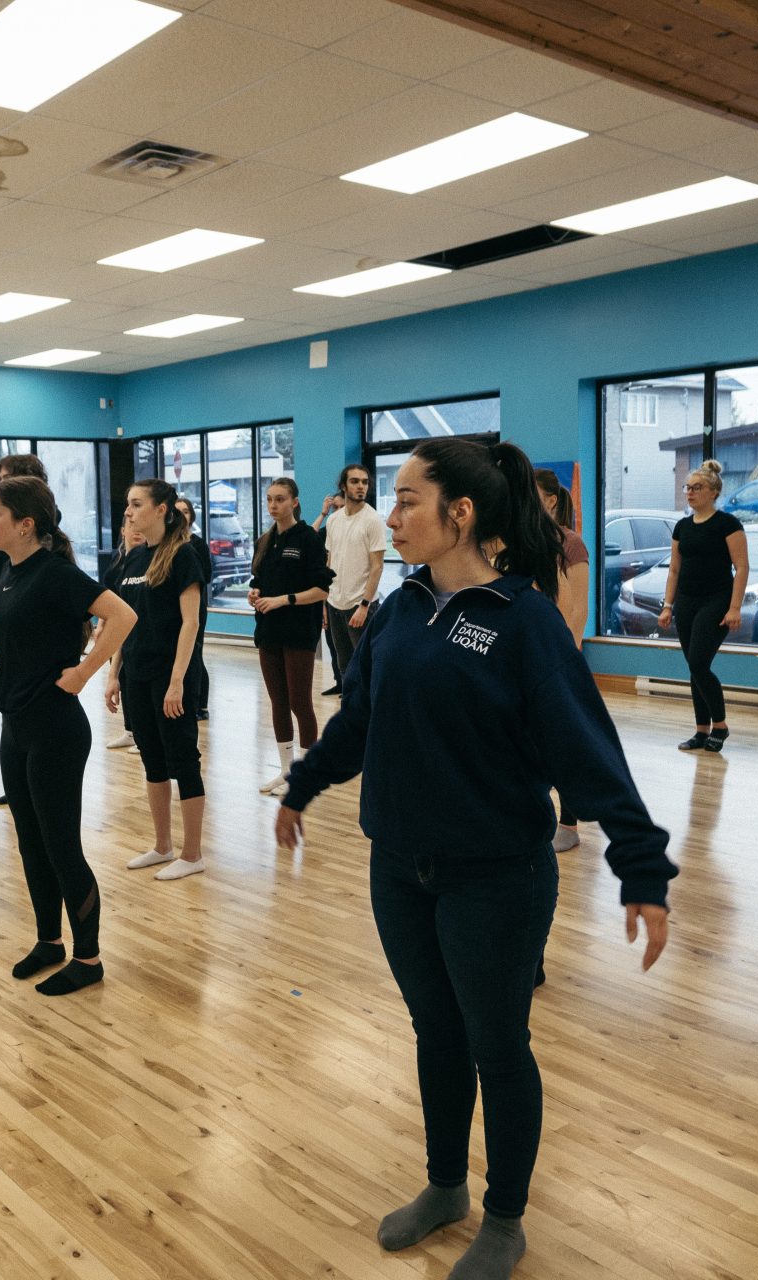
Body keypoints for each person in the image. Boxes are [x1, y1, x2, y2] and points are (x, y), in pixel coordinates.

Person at [274, 438, 674, 1278]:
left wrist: (641, 868)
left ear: (462, 514)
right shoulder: (399, 606)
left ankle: (505, 1215)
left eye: (409, 499)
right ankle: (446, 1185)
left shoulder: (523, 620)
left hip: (497, 875)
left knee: (498, 1044)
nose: (394, 514)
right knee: (435, 1032)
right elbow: (359, 720)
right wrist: (304, 783)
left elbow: (589, 753)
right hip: (400, 866)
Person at [0, 476, 138, 994]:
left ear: (25, 524)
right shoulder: (9, 569)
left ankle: (89, 958)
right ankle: (50, 941)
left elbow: (122, 614)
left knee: (61, 846)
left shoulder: (55, 572)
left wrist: (85, 672)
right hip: (16, 726)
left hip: (55, 729)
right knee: (30, 842)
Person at [107, 480, 208, 881]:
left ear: (161, 509)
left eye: (136, 504)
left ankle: (193, 852)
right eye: (128, 504)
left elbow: (191, 624)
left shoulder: (184, 556)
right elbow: (124, 623)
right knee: (151, 759)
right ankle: (163, 845)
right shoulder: (133, 560)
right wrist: (114, 674)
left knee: (182, 759)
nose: (128, 512)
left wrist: (178, 681)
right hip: (137, 674)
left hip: (171, 678)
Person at [246, 478, 333, 796]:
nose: (273, 505)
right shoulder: (264, 541)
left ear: (294, 502)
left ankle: (308, 775)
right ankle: (286, 771)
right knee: (278, 703)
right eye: (269, 499)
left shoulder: (308, 538)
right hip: (268, 631)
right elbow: (259, 581)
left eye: (280, 499)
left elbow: (321, 589)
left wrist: (284, 600)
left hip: (298, 632)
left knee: (299, 702)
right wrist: (254, 594)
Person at [656, 459, 748, 751]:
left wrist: (734, 607)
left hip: (716, 600)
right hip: (686, 601)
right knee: (695, 667)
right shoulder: (682, 527)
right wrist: (667, 605)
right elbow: (674, 569)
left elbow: (742, 566)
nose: (690, 492)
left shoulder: (727, 524)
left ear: (713, 492)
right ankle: (701, 730)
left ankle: (720, 726)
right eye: (688, 487)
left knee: (698, 662)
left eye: (697, 487)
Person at [0, 453, 50, 805]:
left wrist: (83, 672)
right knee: (11, 704)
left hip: (37, 649)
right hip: (8, 631)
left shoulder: (45, 542)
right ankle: (17, 780)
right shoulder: (4, 541)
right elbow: (0, 582)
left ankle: (32, 778)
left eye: (6, 477)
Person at [534, 469, 588, 852]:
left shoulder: (570, 544)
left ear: (551, 500)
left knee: (564, 744)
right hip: (529, 655)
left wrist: (562, 660)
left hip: (558, 660)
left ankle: (568, 824)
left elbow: (578, 610)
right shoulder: (523, 542)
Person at [316, 463, 386, 696]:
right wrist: (325, 602)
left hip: (361, 606)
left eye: (364, 482)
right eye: (355, 481)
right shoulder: (334, 520)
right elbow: (330, 562)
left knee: (366, 669)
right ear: (343, 486)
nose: (360, 487)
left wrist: (365, 605)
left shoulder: (372, 519)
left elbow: (377, 566)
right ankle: (352, 720)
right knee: (345, 668)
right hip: (335, 604)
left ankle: (371, 722)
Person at [104, 515, 145, 751]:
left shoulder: (148, 562)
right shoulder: (117, 564)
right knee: (123, 681)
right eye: (130, 525)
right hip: (120, 637)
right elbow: (108, 599)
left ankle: (140, 733)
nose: (135, 530)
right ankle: (130, 731)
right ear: (122, 531)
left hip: (140, 639)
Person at [174, 496, 213, 721]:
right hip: (175, 608)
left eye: (185, 512)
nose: (181, 516)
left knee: (195, 652)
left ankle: (201, 703)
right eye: (177, 511)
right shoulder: (169, 544)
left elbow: (205, 576)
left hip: (195, 606)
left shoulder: (197, 544)